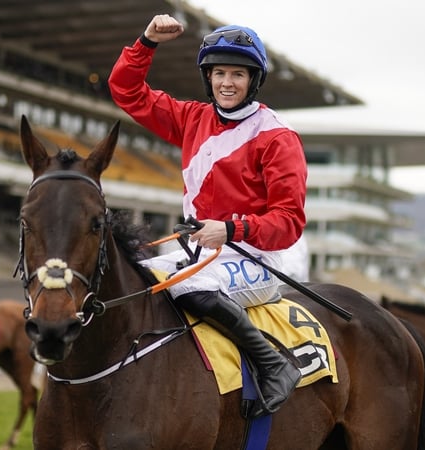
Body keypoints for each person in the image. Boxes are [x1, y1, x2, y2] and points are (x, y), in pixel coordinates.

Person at [109, 15, 306, 417]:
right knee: (132, 281)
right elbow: (126, 91)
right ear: (208, 77)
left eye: (237, 74)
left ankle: (274, 365)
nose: (226, 83)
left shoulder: (277, 137)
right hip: (198, 256)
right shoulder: (192, 118)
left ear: (254, 79)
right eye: (219, 73)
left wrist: (232, 229)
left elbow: (289, 223)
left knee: (186, 285)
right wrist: (146, 42)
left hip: (258, 259)